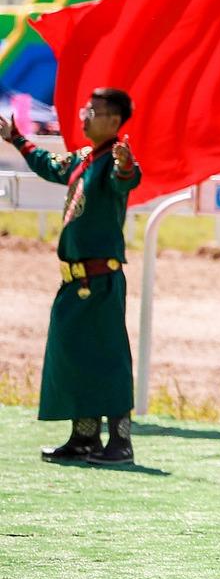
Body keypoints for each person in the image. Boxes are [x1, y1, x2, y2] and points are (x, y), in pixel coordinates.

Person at [4, 89, 142, 465]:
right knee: (76, 355)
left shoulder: (114, 161)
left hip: (101, 281)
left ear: (113, 121)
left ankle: (120, 442)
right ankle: (84, 437)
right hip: (75, 281)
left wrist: (126, 163)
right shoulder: (84, 158)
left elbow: (125, 178)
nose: (84, 115)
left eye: (92, 111)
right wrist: (16, 137)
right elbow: (50, 164)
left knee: (108, 358)